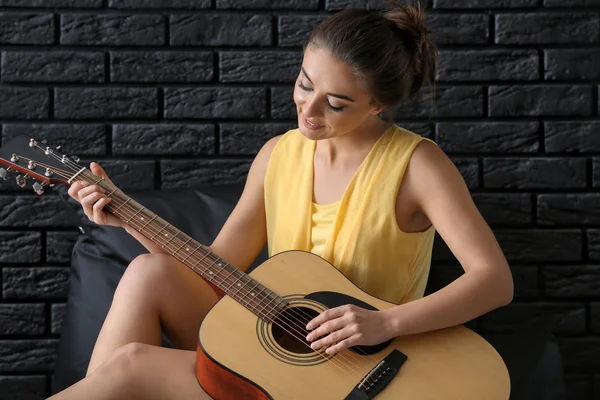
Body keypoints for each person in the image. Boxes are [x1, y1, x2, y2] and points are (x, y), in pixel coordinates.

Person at [49, 3, 514, 399]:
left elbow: (494, 281)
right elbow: (213, 270)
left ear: (376, 105)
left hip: (362, 371)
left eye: (336, 103)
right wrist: (124, 217)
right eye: (305, 83)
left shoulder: (418, 165)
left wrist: (385, 322)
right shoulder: (278, 154)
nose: (308, 111)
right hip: (278, 343)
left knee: (131, 366)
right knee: (148, 272)